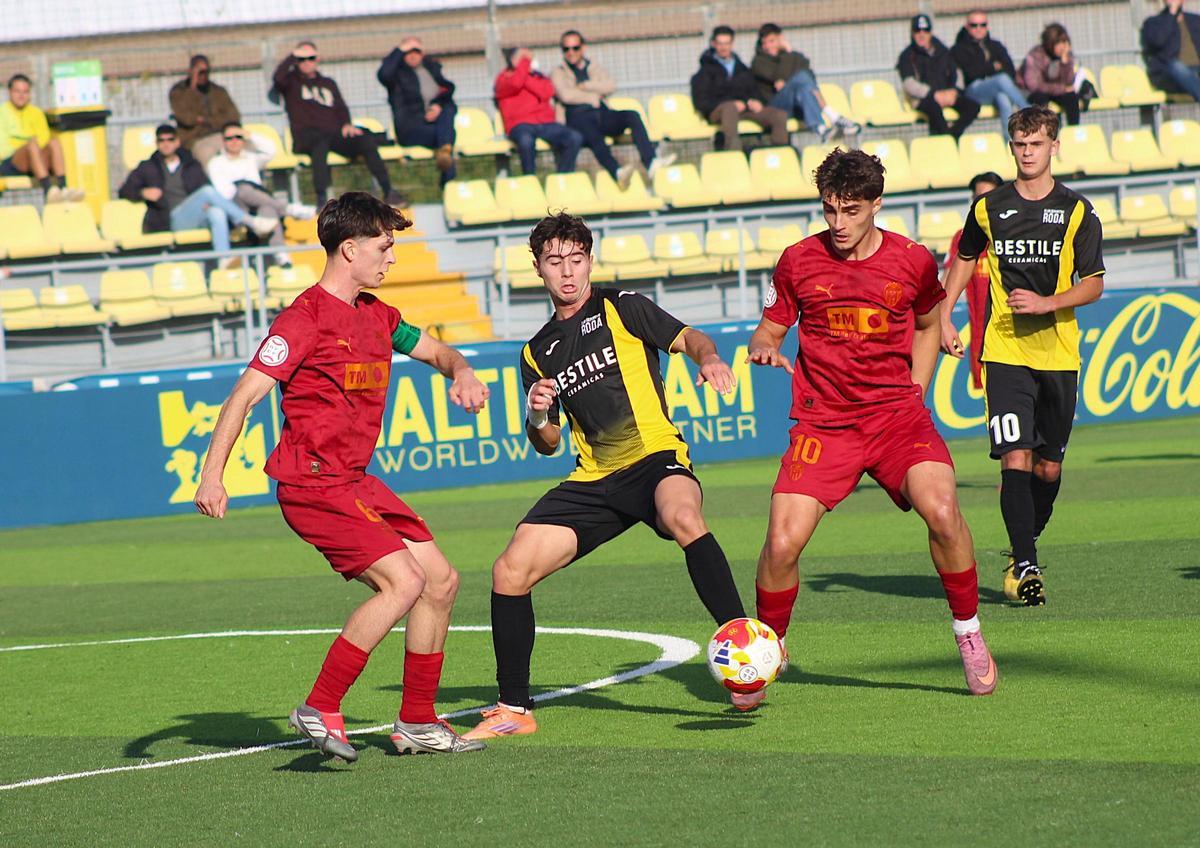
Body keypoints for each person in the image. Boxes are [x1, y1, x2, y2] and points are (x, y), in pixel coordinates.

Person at [193, 192, 490, 761]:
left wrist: (463, 371)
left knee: (442, 582)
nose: (392, 258)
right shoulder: (301, 320)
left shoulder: (380, 316)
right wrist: (213, 477)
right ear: (349, 249)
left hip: (354, 480)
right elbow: (243, 398)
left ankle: (418, 723)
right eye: (384, 246)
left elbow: (438, 352)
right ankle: (320, 705)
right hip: (311, 484)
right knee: (403, 582)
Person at [463, 211, 749, 738]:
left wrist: (709, 359)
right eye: (555, 262)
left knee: (683, 514)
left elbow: (692, 339)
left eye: (576, 259)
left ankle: (743, 647)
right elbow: (546, 445)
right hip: (595, 479)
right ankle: (514, 710)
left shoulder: (622, 307)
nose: (567, 272)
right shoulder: (535, 351)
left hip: (654, 457)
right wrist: (537, 413)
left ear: (589, 260)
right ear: (539, 269)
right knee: (509, 570)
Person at [744, 148, 998, 707]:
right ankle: (766, 652)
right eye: (830, 209)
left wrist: (918, 391)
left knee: (943, 512)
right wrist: (763, 349)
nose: (838, 223)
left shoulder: (910, 260)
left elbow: (930, 323)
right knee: (782, 543)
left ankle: (969, 633)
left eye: (851, 211)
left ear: (876, 205)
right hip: (824, 423)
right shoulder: (797, 260)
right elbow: (767, 330)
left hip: (895, 419)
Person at [941, 106, 1104, 606]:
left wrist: (1047, 303)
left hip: (1058, 352)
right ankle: (1027, 561)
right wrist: (944, 316)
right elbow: (965, 258)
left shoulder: (1077, 210)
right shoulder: (989, 208)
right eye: (1019, 144)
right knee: (1014, 456)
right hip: (1005, 348)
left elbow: (1094, 284)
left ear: (1054, 146)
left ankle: (1021, 549)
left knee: (1048, 468)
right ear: (1011, 146)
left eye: (1036, 143)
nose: (1028, 152)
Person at [273, 41, 405, 207]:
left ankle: (388, 191)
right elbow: (278, 78)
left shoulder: (328, 83)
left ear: (317, 59)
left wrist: (347, 124)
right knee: (319, 145)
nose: (307, 62)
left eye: (311, 58)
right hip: (307, 136)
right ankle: (321, 200)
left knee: (364, 140)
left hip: (333, 134)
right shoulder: (291, 83)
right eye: (301, 59)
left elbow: (341, 107)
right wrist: (292, 56)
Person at [118, 123, 278, 253]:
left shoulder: (191, 165)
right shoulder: (148, 167)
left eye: (170, 139)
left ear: (177, 142)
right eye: (161, 140)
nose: (166, 144)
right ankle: (249, 221)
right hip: (167, 219)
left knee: (217, 212)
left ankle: (224, 260)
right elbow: (124, 190)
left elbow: (203, 187)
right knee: (207, 192)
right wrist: (142, 192)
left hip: (193, 215)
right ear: (157, 143)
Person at [551, 30, 675, 186]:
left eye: (575, 48)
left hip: (601, 113)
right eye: (566, 49)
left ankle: (651, 162)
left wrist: (585, 86)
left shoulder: (593, 66)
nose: (571, 52)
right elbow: (565, 95)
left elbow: (610, 85)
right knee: (594, 135)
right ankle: (617, 172)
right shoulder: (558, 72)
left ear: (583, 48)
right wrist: (593, 96)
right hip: (577, 117)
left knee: (631, 115)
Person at [205, 121, 316, 261]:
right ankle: (288, 209)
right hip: (236, 207)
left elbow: (270, 150)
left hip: (257, 202)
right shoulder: (216, 163)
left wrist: (250, 135)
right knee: (244, 189)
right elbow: (225, 193)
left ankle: (281, 256)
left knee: (267, 208)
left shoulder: (250, 158)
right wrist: (246, 190)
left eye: (238, 137)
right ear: (223, 141)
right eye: (229, 138)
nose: (234, 141)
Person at [751, 23, 861, 143]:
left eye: (772, 41)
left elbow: (809, 75)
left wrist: (786, 77)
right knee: (802, 78)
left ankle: (821, 128)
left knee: (804, 85)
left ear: (780, 38)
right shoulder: (758, 62)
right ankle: (833, 116)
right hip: (777, 105)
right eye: (765, 43)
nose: (768, 46)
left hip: (799, 102)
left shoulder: (796, 57)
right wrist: (788, 53)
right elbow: (777, 77)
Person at [943, 171, 1003, 390]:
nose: (982, 204)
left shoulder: (1015, 235)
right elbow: (945, 282)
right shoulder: (964, 238)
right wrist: (941, 318)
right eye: (977, 198)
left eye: (988, 197)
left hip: (1015, 336)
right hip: (982, 338)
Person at [691, 25, 790, 152]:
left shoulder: (742, 69)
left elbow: (754, 90)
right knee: (729, 108)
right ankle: (734, 154)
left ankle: (780, 154)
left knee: (778, 115)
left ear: (732, 44)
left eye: (727, 43)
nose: (723, 47)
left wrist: (754, 101)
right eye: (720, 44)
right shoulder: (704, 72)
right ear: (713, 44)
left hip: (744, 109)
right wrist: (731, 103)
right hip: (719, 111)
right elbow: (701, 102)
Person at [377, 37, 459, 185]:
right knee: (447, 136)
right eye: (408, 52)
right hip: (411, 128)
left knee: (448, 109)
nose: (413, 55)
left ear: (423, 53)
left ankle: (446, 163)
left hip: (434, 123)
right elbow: (384, 75)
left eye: (417, 51)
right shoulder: (397, 74)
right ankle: (449, 183)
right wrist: (399, 49)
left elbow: (447, 90)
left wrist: (437, 106)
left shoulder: (432, 69)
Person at [495, 47, 583, 176]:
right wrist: (523, 68)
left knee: (574, 137)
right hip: (520, 125)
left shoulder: (538, 76)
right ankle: (530, 178)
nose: (526, 62)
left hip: (545, 123)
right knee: (526, 141)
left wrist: (524, 74)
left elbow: (547, 92)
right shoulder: (503, 79)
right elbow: (515, 84)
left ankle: (563, 178)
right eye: (523, 59)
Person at [0, 74, 82, 203]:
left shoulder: (36, 113)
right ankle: (48, 189)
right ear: (9, 92)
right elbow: (3, 149)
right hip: (10, 163)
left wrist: (34, 152)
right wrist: (26, 147)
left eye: (25, 92)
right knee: (31, 145)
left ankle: (63, 187)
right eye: (17, 91)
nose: (21, 95)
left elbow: (44, 138)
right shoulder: (2, 112)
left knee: (54, 143)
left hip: (35, 160)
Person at [898, 14, 981, 139]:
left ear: (930, 32)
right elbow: (909, 84)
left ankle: (953, 134)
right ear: (912, 33)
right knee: (934, 108)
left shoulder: (942, 51)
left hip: (948, 95)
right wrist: (933, 94)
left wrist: (954, 91)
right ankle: (946, 140)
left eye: (925, 31)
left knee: (973, 107)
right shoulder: (907, 55)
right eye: (917, 30)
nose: (922, 34)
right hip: (924, 99)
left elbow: (957, 73)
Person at [951, 10, 1029, 138]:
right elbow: (970, 74)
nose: (978, 29)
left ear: (987, 26)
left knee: (1003, 99)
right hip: (973, 91)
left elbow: (1010, 70)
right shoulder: (959, 49)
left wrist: (985, 69)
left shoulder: (995, 46)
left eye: (982, 25)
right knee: (1001, 79)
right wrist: (993, 66)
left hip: (995, 90)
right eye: (974, 25)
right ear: (967, 27)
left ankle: (1009, 143)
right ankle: (1028, 110)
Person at [169, 55, 242, 166]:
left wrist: (205, 120)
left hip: (221, 135)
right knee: (207, 155)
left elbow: (233, 117)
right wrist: (192, 88)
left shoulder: (218, 91)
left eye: (206, 72)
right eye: (199, 72)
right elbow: (186, 118)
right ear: (191, 71)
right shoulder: (179, 92)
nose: (203, 76)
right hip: (194, 139)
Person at [1019, 24, 1091, 126]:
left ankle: (1073, 130)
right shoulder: (1035, 56)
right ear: (1050, 43)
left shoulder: (1065, 56)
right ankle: (1048, 134)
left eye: (1064, 42)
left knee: (1071, 97)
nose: (1063, 46)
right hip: (1035, 93)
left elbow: (1069, 83)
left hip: (1056, 90)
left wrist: (1065, 62)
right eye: (1059, 43)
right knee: (1040, 100)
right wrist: (1061, 89)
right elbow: (1034, 86)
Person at [1142, 0, 1200, 102]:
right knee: (1177, 66)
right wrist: (1172, 13)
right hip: (1169, 74)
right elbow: (1157, 41)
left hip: (1196, 71)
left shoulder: (1195, 20)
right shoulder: (1153, 22)